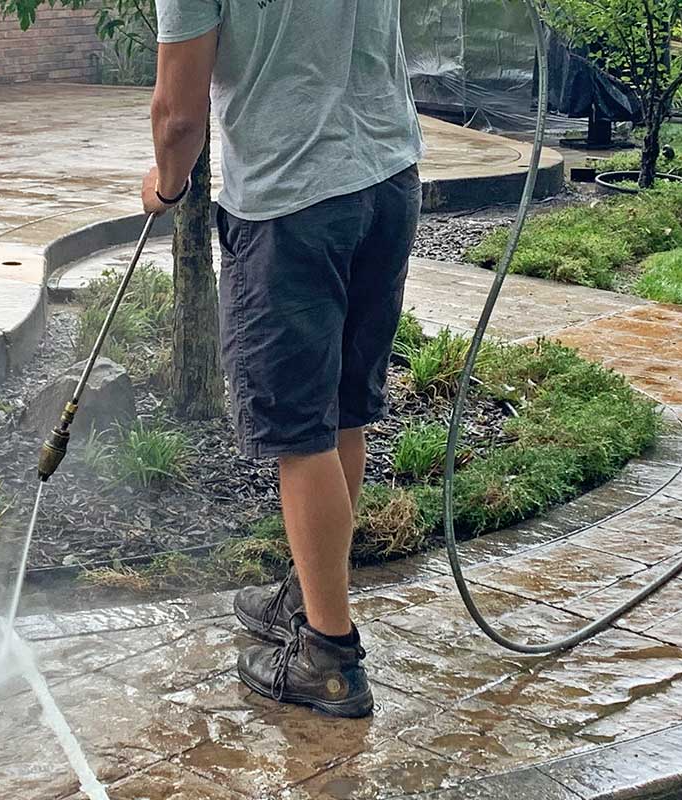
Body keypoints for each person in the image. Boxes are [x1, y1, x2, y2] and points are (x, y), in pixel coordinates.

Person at [142, 0, 424, 718]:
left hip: (291, 201)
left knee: (298, 430)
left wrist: (166, 185)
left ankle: (328, 657)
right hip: (387, 178)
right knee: (340, 410)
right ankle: (312, 588)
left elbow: (179, 113)